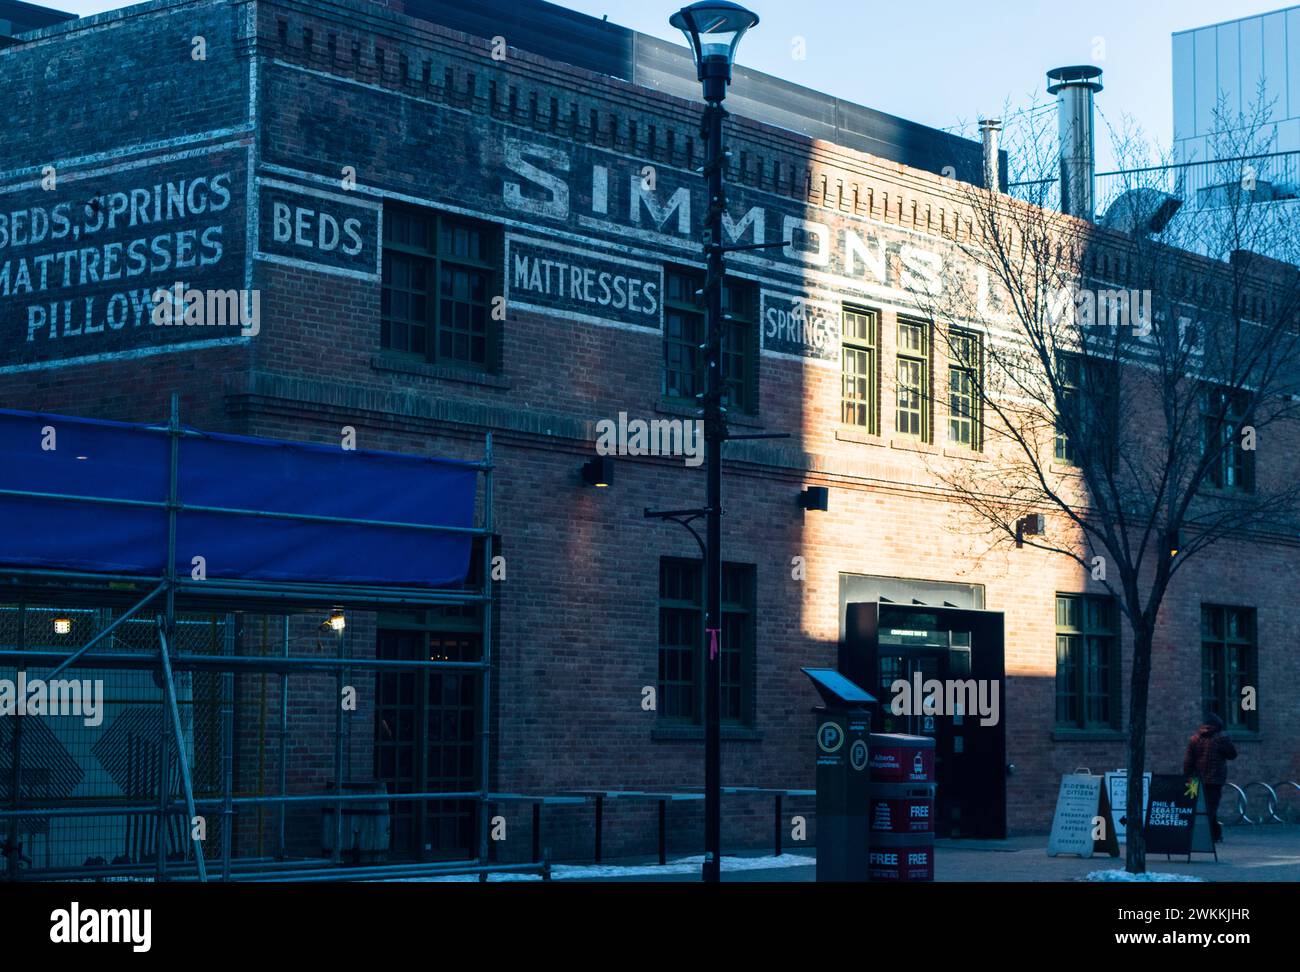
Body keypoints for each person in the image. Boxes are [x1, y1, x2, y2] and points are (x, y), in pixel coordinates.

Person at [1182, 712, 1238, 842]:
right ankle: (1205, 835)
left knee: (1199, 806)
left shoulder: (1194, 739)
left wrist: (1187, 777)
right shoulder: (1220, 739)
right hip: (1215, 780)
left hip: (1195, 780)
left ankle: (1215, 834)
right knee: (1210, 807)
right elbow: (1232, 755)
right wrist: (1226, 740)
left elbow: (1188, 761)